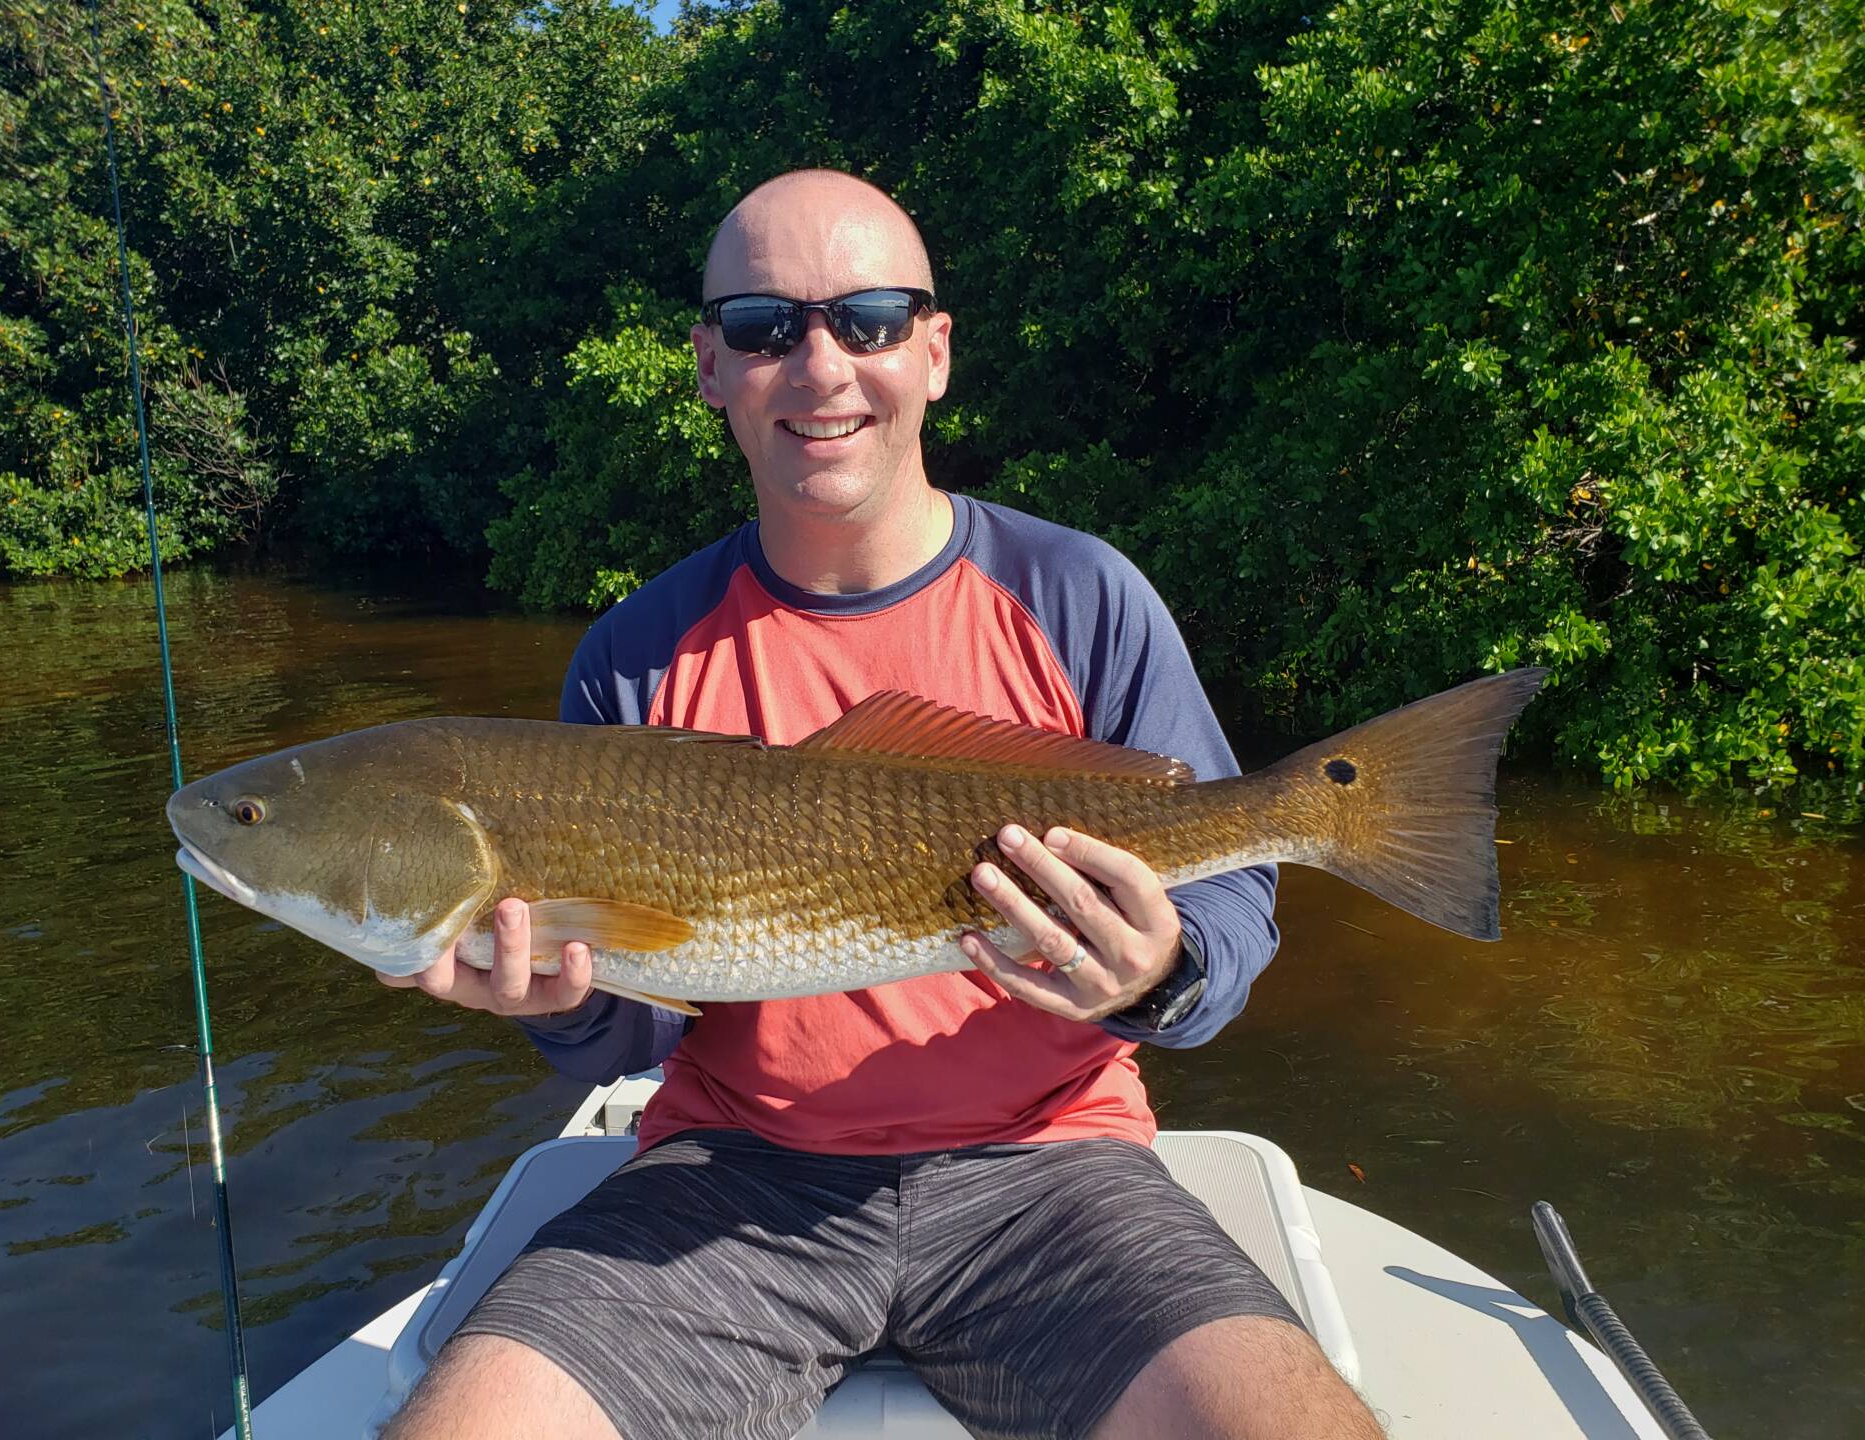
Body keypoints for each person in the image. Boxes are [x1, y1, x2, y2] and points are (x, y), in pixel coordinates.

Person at [382, 169, 1383, 1440]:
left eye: (868, 317)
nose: (820, 365)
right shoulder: (635, 653)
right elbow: (644, 1035)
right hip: (727, 1178)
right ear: (708, 366)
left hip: (1054, 1169)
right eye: (763, 326)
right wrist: (567, 1010)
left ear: (935, 351)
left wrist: (1163, 972)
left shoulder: (1084, 595)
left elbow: (1233, 894)